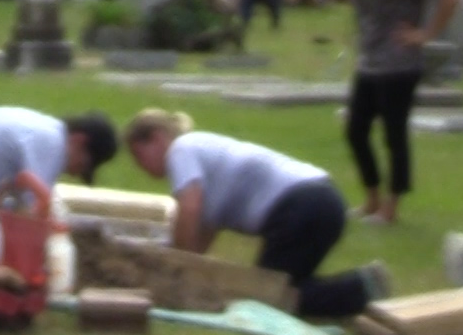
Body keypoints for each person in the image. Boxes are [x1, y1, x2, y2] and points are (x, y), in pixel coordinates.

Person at [124, 109, 388, 319]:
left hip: (302, 207)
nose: (140, 167)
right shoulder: (201, 156)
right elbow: (201, 237)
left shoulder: (181, 149)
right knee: (282, 290)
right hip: (319, 202)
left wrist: (173, 265)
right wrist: (186, 273)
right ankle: (360, 288)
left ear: (157, 138)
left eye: (139, 155)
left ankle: (359, 289)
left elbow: (189, 209)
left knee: (263, 297)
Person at [342, 0, 460, 225]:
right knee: (355, 131)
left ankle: (391, 208)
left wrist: (425, 34)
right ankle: (371, 198)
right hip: (370, 60)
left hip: (399, 64)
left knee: (394, 135)